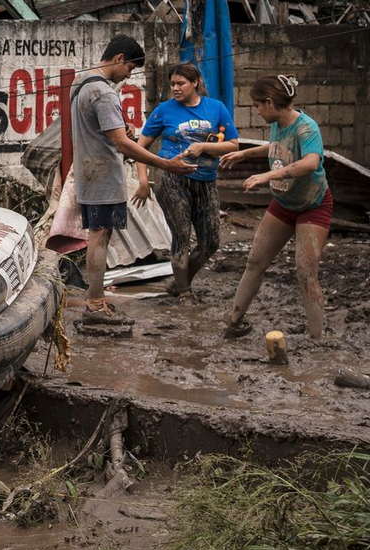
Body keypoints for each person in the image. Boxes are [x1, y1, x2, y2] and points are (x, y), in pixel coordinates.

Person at [68, 36, 193, 313]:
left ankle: (95, 297)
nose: (129, 74)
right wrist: (165, 163)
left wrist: (123, 131)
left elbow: (103, 131)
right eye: (131, 69)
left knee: (99, 233)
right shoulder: (104, 93)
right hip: (103, 175)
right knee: (100, 235)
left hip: (88, 171)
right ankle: (96, 301)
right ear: (119, 59)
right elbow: (121, 143)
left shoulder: (80, 83)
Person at [217, 74, 331, 339]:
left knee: (305, 272)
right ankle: (234, 323)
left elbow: (311, 162)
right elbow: (278, 146)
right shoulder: (279, 123)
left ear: (269, 102)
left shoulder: (306, 127)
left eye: (257, 105)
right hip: (283, 203)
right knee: (255, 261)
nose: (256, 111)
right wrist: (246, 152)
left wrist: (267, 176)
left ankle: (317, 339)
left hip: (312, 206)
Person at [133, 63, 240, 298]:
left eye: (180, 83)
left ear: (196, 83)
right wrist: (142, 182)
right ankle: (184, 293)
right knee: (181, 236)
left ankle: (179, 283)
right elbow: (139, 148)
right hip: (172, 180)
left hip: (206, 181)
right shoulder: (164, 111)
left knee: (210, 242)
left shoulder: (216, 108)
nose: (175, 88)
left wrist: (204, 146)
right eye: (172, 84)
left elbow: (233, 144)